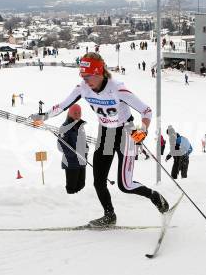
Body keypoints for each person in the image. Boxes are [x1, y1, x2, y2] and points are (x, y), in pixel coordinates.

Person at [29, 52, 169, 227]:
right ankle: (109, 215)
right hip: (106, 133)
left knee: (125, 185)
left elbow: (146, 110)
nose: (86, 80)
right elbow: (63, 105)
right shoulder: (83, 88)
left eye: (88, 76)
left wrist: (143, 130)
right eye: (83, 76)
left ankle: (155, 197)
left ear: (100, 72)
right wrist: (44, 116)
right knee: (98, 181)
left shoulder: (117, 88)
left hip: (126, 131)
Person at [57, 104, 88, 194]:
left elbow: (82, 142)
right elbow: (60, 145)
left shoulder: (80, 126)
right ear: (70, 113)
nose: (77, 114)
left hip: (82, 160)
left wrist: (86, 149)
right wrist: (72, 153)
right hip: (71, 162)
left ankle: (77, 205)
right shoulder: (65, 127)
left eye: (79, 112)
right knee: (72, 187)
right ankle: (69, 204)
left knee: (81, 185)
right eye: (75, 113)